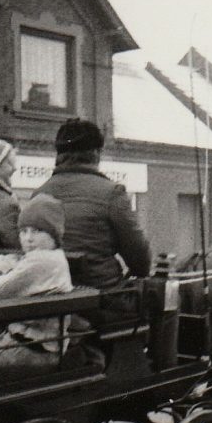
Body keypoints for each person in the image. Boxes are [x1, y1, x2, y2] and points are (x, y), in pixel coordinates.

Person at [33, 118, 151, 317]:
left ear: (59, 154)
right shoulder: (112, 192)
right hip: (102, 302)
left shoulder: (38, 195)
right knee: (163, 301)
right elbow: (140, 260)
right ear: (96, 153)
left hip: (51, 301)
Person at [0, 195, 74, 369]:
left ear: (54, 234)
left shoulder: (40, 261)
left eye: (37, 231)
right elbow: (21, 266)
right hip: (41, 345)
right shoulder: (52, 257)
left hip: (29, 349)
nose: (28, 238)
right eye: (23, 231)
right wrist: (2, 263)